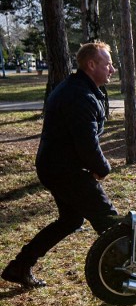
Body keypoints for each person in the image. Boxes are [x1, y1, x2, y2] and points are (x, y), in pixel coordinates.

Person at [2, 41, 119, 288]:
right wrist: (103, 168)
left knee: (70, 220)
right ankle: (125, 276)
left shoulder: (81, 88)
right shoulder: (79, 95)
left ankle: (19, 267)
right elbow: (86, 143)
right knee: (108, 221)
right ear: (91, 64)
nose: (112, 68)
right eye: (108, 63)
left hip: (57, 167)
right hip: (64, 170)